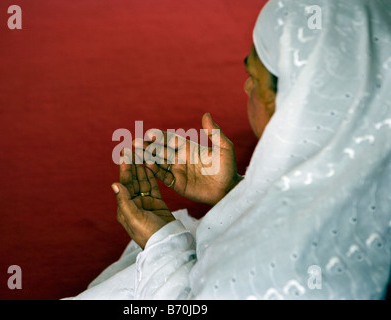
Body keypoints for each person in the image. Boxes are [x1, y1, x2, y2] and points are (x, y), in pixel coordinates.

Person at [67, 0, 391, 299]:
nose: (246, 86)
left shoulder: (287, 273)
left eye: (254, 76)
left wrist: (163, 244)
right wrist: (236, 192)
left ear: (295, 102)